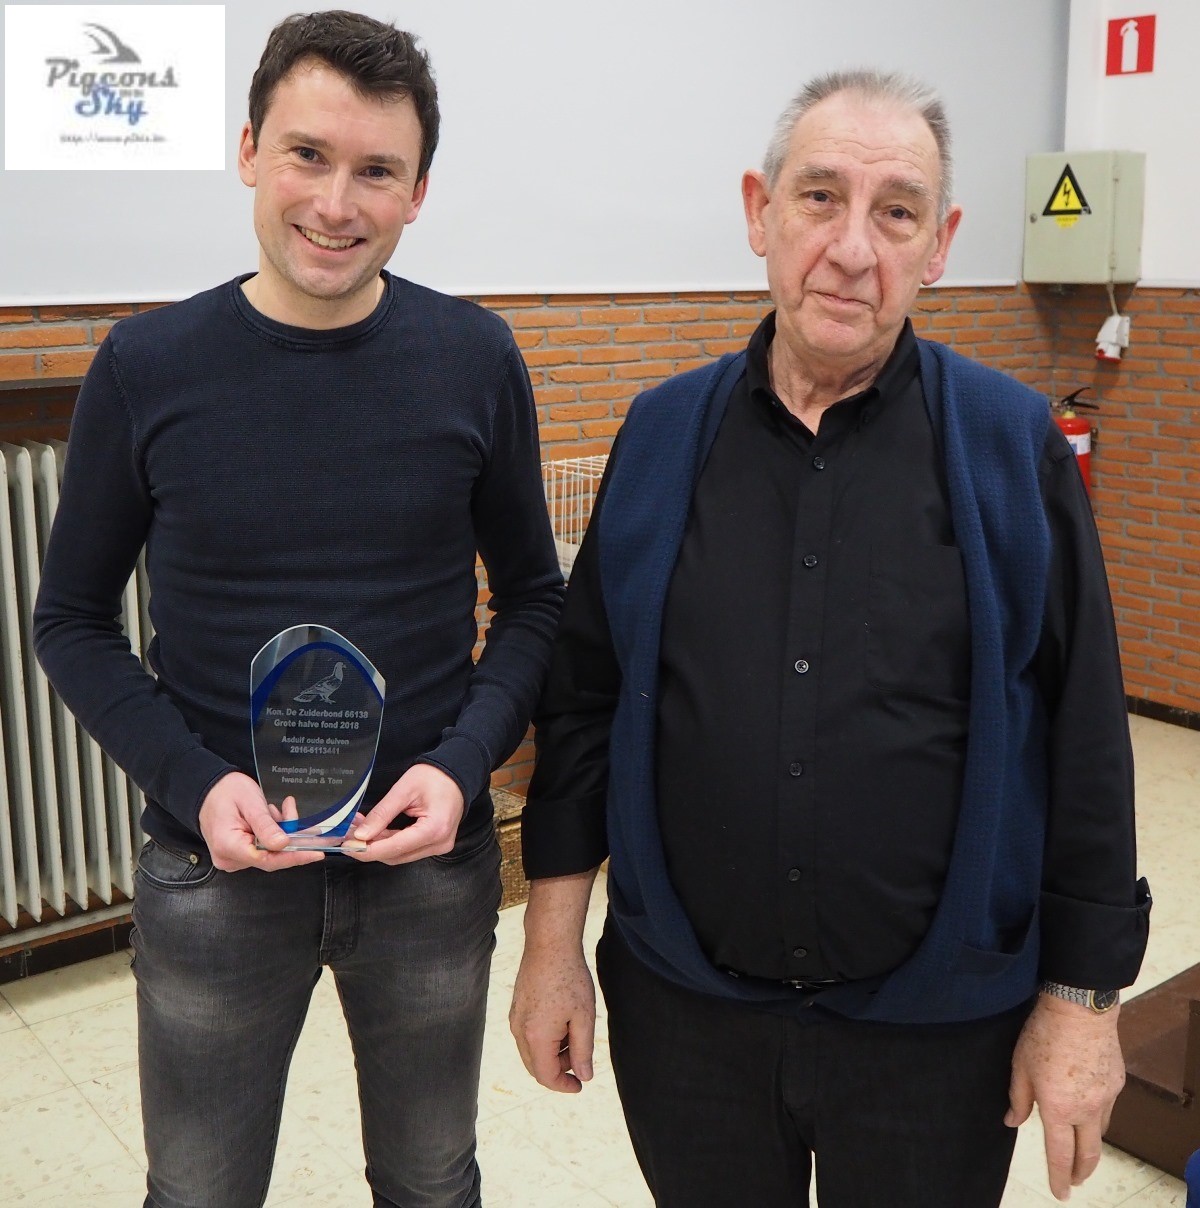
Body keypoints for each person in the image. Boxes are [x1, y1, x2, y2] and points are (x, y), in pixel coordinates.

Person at [509, 69, 1150, 1208]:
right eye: (820, 197)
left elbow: (1086, 738)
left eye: (897, 212)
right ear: (760, 212)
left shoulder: (1011, 447)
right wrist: (551, 948)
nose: (853, 249)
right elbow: (585, 705)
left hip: (937, 1041)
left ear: (939, 245)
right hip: (690, 1024)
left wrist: (1082, 1003)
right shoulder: (660, 436)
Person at [34, 11, 562, 1208]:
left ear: (418, 192)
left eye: (376, 170)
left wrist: (464, 767)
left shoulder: (474, 358)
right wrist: (192, 781)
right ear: (248, 152)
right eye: (307, 155)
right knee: (199, 1191)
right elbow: (69, 618)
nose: (335, 202)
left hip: (425, 863)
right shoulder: (146, 367)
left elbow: (536, 599)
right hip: (214, 868)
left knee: (432, 1182)